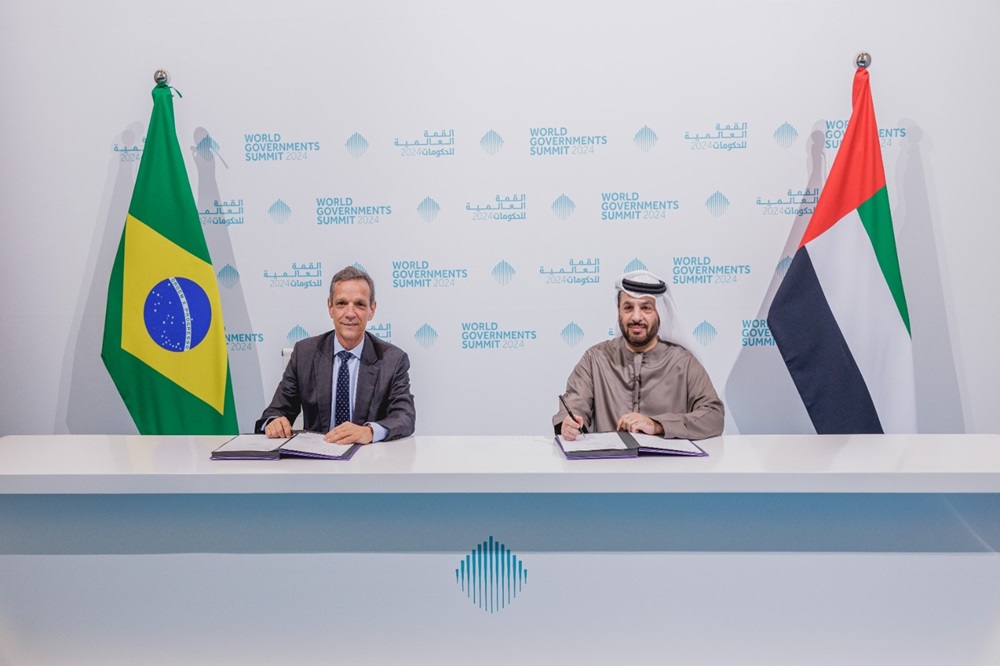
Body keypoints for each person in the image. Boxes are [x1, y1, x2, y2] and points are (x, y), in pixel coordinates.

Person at [554, 270, 723, 441]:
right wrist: (569, 424)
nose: (636, 317)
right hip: (609, 458)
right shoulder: (595, 359)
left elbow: (714, 416)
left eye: (646, 308)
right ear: (618, 311)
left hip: (666, 458)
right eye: (628, 308)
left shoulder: (683, 362)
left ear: (660, 312)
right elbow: (574, 406)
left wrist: (658, 425)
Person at [256, 266, 415, 444]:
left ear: (372, 310)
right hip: (317, 456)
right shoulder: (304, 354)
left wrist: (369, 432)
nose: (350, 313)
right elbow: (275, 412)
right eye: (341, 304)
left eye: (359, 304)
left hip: (369, 457)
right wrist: (275, 422)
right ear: (330, 307)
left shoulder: (392, 360)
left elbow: (404, 417)